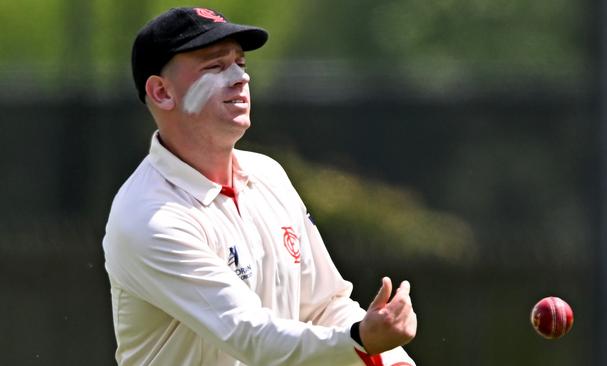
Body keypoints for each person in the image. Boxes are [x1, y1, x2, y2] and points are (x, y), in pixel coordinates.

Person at [102, 6, 417, 366]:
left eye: (241, 63)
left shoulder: (268, 175)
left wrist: (391, 359)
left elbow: (324, 305)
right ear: (161, 92)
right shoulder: (150, 217)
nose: (240, 77)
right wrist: (361, 340)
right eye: (215, 66)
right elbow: (252, 336)